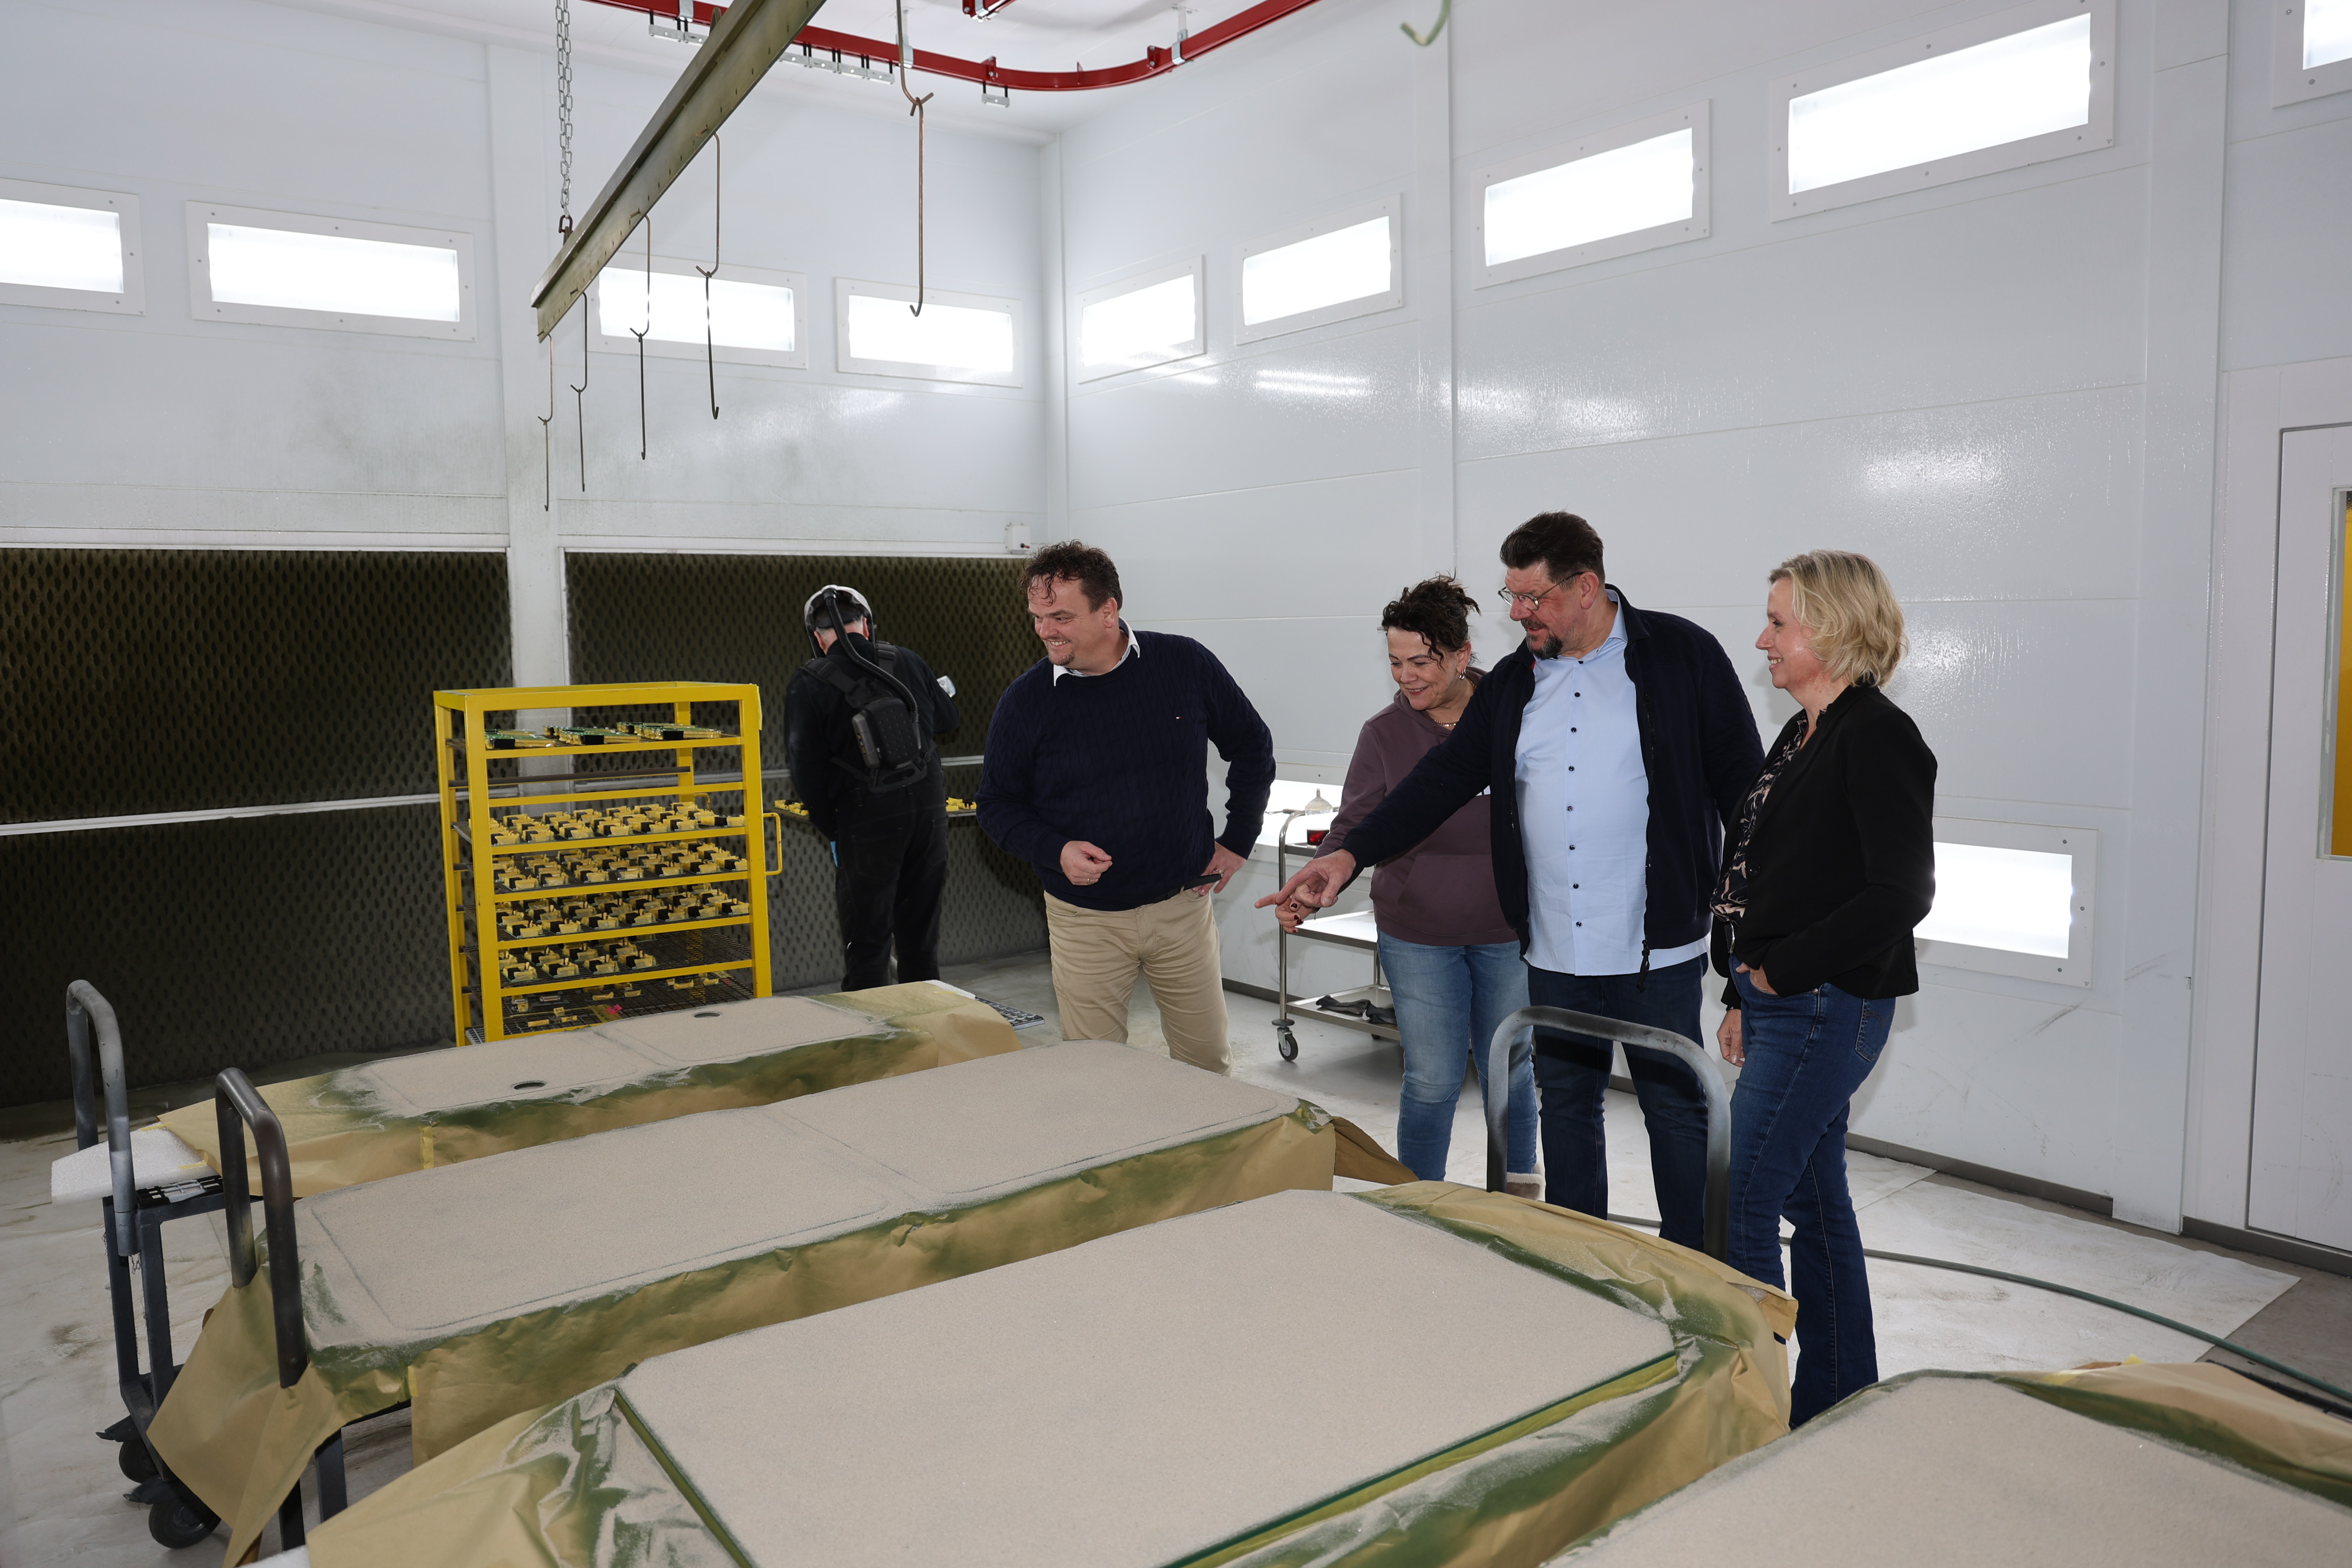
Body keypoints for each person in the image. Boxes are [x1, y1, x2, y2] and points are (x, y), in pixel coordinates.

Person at [1263, 514, 1760, 1249]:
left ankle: (1693, 1268)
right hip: (1554, 945)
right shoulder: (1516, 682)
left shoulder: (1681, 654)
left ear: (1586, 588)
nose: (1518, 612)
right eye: (1512, 595)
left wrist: (1745, 939)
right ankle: (1580, 1260)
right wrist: (1349, 856)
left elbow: (1744, 794)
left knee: (1675, 1110)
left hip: (1654, 945)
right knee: (1566, 1108)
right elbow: (1441, 780)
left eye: (1534, 597)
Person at [1711, 550, 1934, 1426]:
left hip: (1822, 1005)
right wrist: (1741, 991)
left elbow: (1900, 892)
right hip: (1780, 1004)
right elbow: (1763, 872)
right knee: (1813, 1196)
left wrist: (1782, 970)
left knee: (1744, 1197)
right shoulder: (1804, 731)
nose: (1762, 639)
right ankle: (1839, 1392)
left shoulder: (1878, 736)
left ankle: (1749, 1405)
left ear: (1834, 629)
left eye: (1779, 622)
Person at [979, 541, 1275, 1074]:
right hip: (1085, 920)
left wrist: (1238, 840)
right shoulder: (1026, 701)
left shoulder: (1184, 664)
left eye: (1062, 616)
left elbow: (1252, 745)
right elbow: (997, 804)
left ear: (1108, 611)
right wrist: (1055, 849)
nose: (1046, 631)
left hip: (1182, 908)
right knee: (1097, 1075)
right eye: (1038, 617)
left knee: (1207, 1067)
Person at [1306, 577, 1540, 1193]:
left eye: (1421, 662)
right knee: (1433, 1078)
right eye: (1395, 662)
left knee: (1510, 1069)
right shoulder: (1384, 733)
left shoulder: (1517, 710)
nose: (1406, 677)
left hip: (1507, 929)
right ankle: (1417, 1201)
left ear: (1462, 655)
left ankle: (1520, 1196)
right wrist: (1317, 878)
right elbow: (1353, 824)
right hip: (1418, 934)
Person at [783, 584, 961, 991]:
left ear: (817, 637)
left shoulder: (808, 682)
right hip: (929, 813)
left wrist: (834, 828)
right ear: (866, 624)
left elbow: (805, 769)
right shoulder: (907, 660)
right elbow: (948, 720)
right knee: (920, 940)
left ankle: (869, 1028)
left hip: (867, 819)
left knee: (867, 942)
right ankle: (927, 1020)